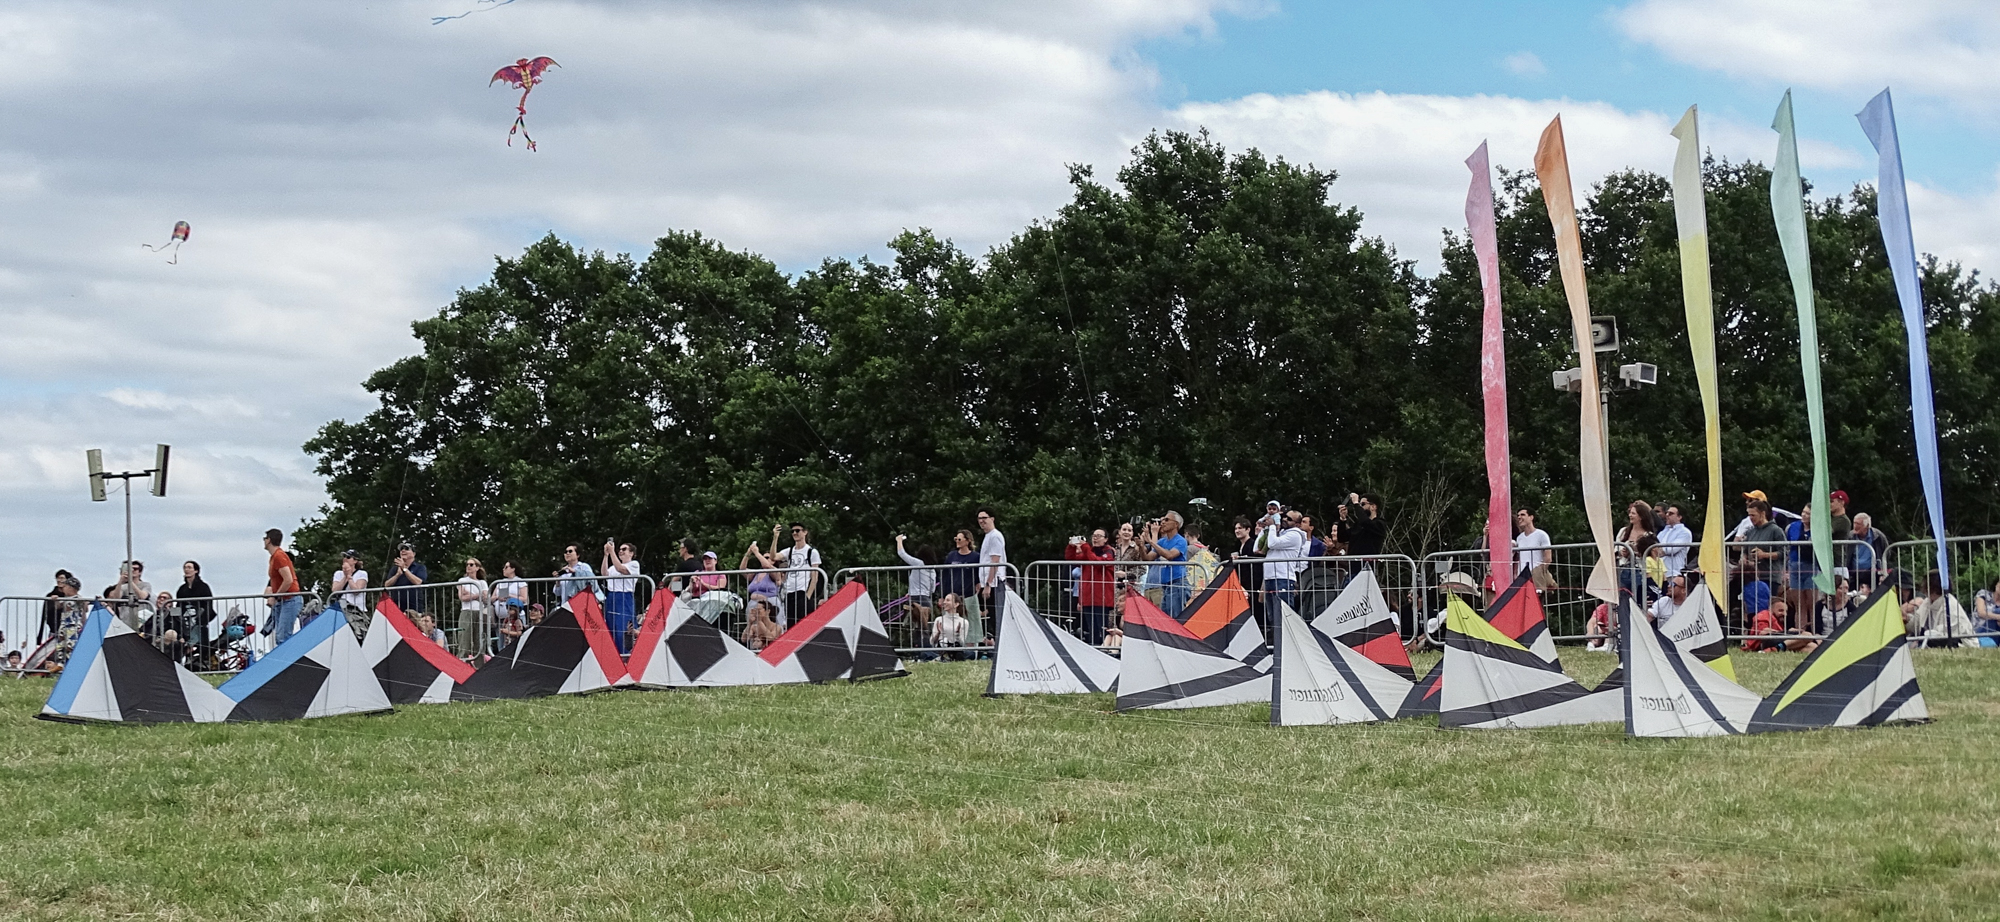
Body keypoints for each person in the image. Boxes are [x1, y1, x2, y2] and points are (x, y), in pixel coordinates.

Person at [1730, 501, 1788, 626]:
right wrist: (1744, 559)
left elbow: (1784, 552)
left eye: (1753, 515)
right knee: (1752, 608)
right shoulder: (1750, 532)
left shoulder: (1776, 530)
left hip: (1770, 575)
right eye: (1749, 515)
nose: (1751, 518)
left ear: (1762, 513)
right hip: (1752, 577)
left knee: (1767, 607)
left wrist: (1764, 555)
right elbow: (1744, 550)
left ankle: (1769, 630)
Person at [1065, 529, 1117, 644]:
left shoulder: (1109, 552)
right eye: (1094, 536)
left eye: (1099, 536)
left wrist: (1085, 547)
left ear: (1106, 539)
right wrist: (1071, 547)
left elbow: (1097, 562)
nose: (1095, 538)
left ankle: (1105, 647)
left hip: (1102, 597)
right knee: (1091, 628)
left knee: (1102, 627)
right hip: (1088, 596)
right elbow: (1072, 559)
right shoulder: (1089, 551)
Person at [1908, 569, 1978, 647]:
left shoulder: (1950, 607)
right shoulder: (1928, 601)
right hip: (1930, 642)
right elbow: (1915, 625)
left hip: (1961, 644)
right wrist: (1906, 618)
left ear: (1931, 587)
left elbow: (1941, 637)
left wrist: (1919, 641)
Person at [772, 523, 823, 629]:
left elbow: (814, 576)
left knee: (804, 625)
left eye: (797, 530)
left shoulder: (811, 552)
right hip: (790, 592)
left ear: (805, 532)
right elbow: (774, 557)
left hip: (802, 591)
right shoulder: (790, 551)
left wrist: (808, 596)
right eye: (793, 531)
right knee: (791, 626)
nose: (795, 533)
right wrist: (775, 537)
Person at [1259, 509, 1308, 616]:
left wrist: (1272, 526)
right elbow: (1258, 548)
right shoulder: (1280, 532)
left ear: (1297, 524)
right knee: (1271, 615)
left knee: (1284, 615)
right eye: (1284, 516)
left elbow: (1272, 544)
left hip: (1283, 579)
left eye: (1289, 519)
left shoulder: (1295, 535)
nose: (1284, 519)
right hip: (1270, 578)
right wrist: (1271, 519)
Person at [1142, 511, 1190, 617]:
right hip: (1165, 585)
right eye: (1163, 520)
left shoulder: (1181, 541)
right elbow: (1148, 558)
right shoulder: (1162, 541)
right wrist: (1141, 546)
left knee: (1175, 618)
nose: (1163, 522)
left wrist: (1151, 542)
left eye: (1167, 520)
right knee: (1166, 619)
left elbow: (1170, 555)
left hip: (1177, 583)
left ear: (1176, 524)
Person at [1783, 504, 1821, 632]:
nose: (1804, 515)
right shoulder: (1793, 527)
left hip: (1811, 566)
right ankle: (1800, 633)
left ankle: (1814, 632)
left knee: (1812, 604)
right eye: (1803, 512)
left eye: (1808, 513)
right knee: (1799, 605)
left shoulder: (1818, 529)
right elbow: (1787, 547)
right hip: (1794, 566)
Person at [263, 529, 303, 645]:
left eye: (265, 538)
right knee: (280, 636)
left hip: (290, 599)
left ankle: (289, 656)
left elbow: (288, 580)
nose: (264, 541)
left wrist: (276, 596)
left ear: (269, 540)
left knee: (283, 637)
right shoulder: (274, 557)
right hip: (283, 600)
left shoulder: (279, 556)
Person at [601, 540, 641, 654]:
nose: (621, 551)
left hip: (624, 597)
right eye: (620, 549)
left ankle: (626, 654)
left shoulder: (634, 564)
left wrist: (612, 552)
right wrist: (606, 555)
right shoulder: (613, 566)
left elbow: (621, 569)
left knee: (623, 628)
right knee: (611, 627)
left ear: (631, 553)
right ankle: (614, 655)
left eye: (624, 549)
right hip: (612, 596)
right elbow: (604, 573)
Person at [896, 534, 939, 633]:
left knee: (914, 629)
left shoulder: (919, 564)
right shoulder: (932, 570)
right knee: (925, 629)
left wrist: (899, 540)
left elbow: (902, 554)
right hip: (927, 600)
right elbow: (932, 589)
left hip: (915, 600)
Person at [173, 561, 216, 654]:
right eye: (185, 567)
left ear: (196, 570)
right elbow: (178, 605)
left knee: (202, 645)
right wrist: (176, 618)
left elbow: (208, 605)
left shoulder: (204, 587)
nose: (186, 570)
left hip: (200, 620)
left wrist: (202, 620)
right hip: (185, 621)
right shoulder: (182, 589)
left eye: (189, 567)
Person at [975, 509, 1009, 622]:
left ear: (992, 519)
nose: (981, 521)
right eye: (979, 518)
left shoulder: (995, 536)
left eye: (984, 518)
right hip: (988, 582)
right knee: (990, 615)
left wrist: (988, 584)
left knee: (996, 616)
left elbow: (995, 561)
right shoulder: (988, 536)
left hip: (994, 583)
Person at [1513, 508, 1554, 590]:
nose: (1519, 517)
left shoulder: (1541, 535)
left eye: (1522, 515)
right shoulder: (1519, 538)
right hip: (1522, 576)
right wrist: (1515, 573)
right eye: (1518, 515)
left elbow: (1548, 557)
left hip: (1536, 575)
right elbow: (1518, 557)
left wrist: (1539, 572)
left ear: (1531, 517)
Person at [455, 558, 488, 655]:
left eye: (471, 564)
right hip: (467, 611)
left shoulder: (482, 582)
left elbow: (485, 597)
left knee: (479, 641)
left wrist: (470, 595)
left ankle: (479, 663)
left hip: (480, 611)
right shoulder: (462, 580)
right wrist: (478, 595)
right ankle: (463, 661)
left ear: (477, 568)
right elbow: (462, 597)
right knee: (464, 640)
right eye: (467, 564)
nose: (468, 566)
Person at [384, 544, 429, 614]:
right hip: (397, 606)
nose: (403, 551)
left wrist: (404, 569)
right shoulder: (395, 568)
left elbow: (418, 582)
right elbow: (386, 584)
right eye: (401, 549)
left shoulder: (420, 567)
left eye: (406, 549)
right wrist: (397, 575)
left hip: (414, 606)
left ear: (413, 554)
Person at [1339, 493, 1388, 558]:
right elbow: (1341, 537)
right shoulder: (1358, 525)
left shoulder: (1379, 524)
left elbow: (1366, 523)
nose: (1361, 508)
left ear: (1373, 507)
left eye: (1362, 504)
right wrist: (1342, 519)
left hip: (1368, 562)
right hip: (1353, 562)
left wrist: (1356, 504)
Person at [109, 560, 153, 629]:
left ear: (140, 572)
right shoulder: (123, 587)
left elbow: (143, 596)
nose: (132, 571)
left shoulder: (146, 585)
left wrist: (131, 581)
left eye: (135, 569)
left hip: (141, 621)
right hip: (125, 621)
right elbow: (116, 598)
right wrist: (121, 580)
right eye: (130, 569)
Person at [491, 560, 528, 640]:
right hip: (502, 618)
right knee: (502, 641)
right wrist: (498, 597)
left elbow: (524, 599)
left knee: (517, 639)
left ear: (513, 569)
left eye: (506, 567)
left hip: (517, 618)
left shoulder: (520, 582)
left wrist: (510, 596)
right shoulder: (500, 582)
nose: (503, 569)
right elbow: (491, 598)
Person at [1850, 513, 1887, 589]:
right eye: (1854, 523)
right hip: (1853, 573)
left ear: (1867, 526)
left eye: (1858, 524)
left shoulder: (1878, 536)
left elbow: (1886, 553)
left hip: (1872, 572)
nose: (1855, 526)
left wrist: (1881, 571)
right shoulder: (1850, 536)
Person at [1656, 504, 1693, 579]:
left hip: (1673, 573)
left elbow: (1671, 549)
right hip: (1659, 572)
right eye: (1667, 513)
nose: (1667, 515)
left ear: (1679, 517)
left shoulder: (1684, 532)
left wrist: (1656, 551)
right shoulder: (1662, 532)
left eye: (1671, 513)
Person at [930, 593, 970, 660]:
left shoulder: (963, 622)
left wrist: (957, 634)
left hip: (955, 650)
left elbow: (962, 643)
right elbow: (932, 642)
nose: (944, 602)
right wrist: (938, 633)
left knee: (970, 653)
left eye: (948, 600)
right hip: (940, 649)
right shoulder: (939, 620)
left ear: (956, 604)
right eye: (945, 600)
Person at [1972, 577, 2000, 644]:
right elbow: (1981, 613)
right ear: (1996, 584)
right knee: (1998, 611)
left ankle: (1993, 643)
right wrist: (1998, 617)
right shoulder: (1983, 594)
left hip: (1996, 629)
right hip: (1980, 628)